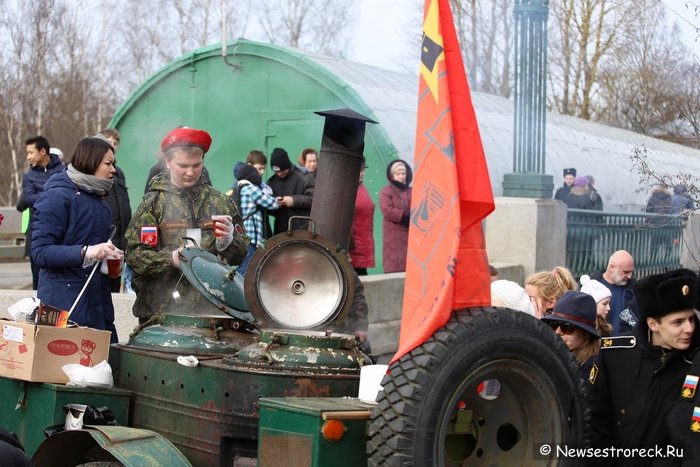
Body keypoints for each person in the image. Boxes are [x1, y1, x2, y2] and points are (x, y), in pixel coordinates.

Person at [125, 127, 249, 324]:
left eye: (196, 165)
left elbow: (240, 255)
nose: (191, 172)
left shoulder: (220, 202)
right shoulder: (152, 203)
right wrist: (171, 259)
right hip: (162, 314)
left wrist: (229, 242)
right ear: (167, 162)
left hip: (213, 312)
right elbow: (135, 255)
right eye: (183, 165)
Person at [588, 268, 700, 462]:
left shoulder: (694, 364)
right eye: (678, 322)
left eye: (691, 319)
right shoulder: (615, 353)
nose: (689, 328)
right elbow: (595, 420)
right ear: (653, 324)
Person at [31, 137, 122, 341]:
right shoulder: (57, 197)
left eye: (113, 164)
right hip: (63, 307)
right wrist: (86, 252)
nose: (113, 169)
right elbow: (39, 252)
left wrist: (109, 256)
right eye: (108, 163)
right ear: (90, 161)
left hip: (97, 304)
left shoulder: (100, 202)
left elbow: (95, 250)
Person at [17, 135, 65, 290]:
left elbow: (68, 194)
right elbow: (29, 198)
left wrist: (44, 193)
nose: (28, 157)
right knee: (38, 279)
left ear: (43, 151)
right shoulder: (28, 176)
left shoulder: (62, 170)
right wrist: (53, 193)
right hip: (36, 232)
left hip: (61, 233)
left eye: (31, 152)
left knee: (60, 278)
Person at [99, 129, 132, 293]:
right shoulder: (96, 171)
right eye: (108, 140)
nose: (112, 144)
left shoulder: (119, 172)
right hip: (103, 240)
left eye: (115, 142)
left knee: (113, 288)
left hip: (119, 241)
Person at [542, 290, 601, 378]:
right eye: (553, 324)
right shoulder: (557, 357)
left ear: (585, 333)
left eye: (566, 326)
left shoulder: (593, 368)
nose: (557, 332)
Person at [235, 164, 279, 275]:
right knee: (247, 269)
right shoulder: (250, 188)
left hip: (240, 235)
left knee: (241, 266)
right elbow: (272, 204)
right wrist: (278, 200)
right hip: (250, 236)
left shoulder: (237, 188)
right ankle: (242, 291)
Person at [266, 147, 313, 235]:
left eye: (282, 171)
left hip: (303, 230)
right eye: (276, 171)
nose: (279, 174)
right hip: (281, 232)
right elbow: (267, 208)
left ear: (287, 166)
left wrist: (294, 201)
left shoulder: (305, 178)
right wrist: (275, 202)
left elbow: (314, 200)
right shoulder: (271, 182)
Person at [590, 250, 638, 335]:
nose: (630, 276)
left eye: (631, 272)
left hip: (628, 344)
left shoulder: (635, 288)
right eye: (626, 272)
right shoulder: (591, 287)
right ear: (612, 268)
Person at [380, 159, 412, 273]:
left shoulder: (412, 191)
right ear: (392, 176)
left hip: (410, 232)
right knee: (395, 260)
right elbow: (386, 209)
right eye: (398, 174)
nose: (401, 176)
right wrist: (403, 217)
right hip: (393, 233)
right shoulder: (386, 191)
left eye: (403, 173)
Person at [349, 157, 375, 276]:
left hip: (363, 246)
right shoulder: (348, 189)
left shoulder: (362, 188)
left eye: (363, 170)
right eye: (360, 170)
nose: (363, 173)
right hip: (353, 249)